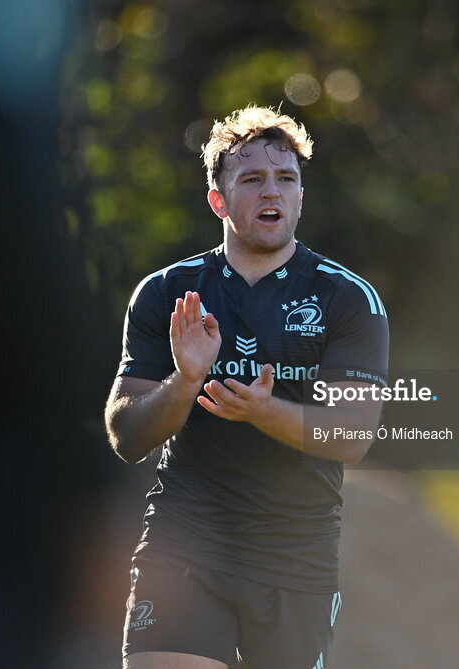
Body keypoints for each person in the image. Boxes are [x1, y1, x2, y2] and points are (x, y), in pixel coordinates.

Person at [105, 106, 389, 669]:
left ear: (301, 197)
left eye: (286, 179)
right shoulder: (170, 293)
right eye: (252, 179)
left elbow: (353, 436)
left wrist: (263, 411)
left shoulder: (347, 298)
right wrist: (185, 381)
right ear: (218, 199)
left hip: (294, 557)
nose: (272, 192)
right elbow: (127, 433)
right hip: (185, 545)